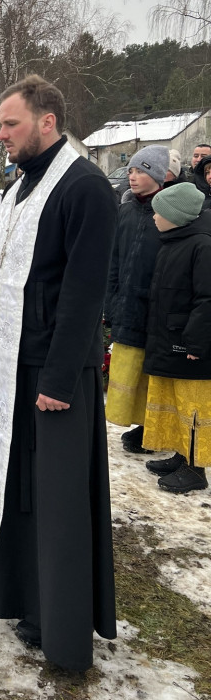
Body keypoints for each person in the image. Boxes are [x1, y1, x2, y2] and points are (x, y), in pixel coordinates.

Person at [0, 74, 118, 672]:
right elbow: (1, 276)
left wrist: (59, 381)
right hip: (14, 363)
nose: (1, 135)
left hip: (56, 374)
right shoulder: (19, 187)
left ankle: (61, 628)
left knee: (58, 502)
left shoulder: (83, 187)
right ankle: (23, 600)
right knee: (21, 492)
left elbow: (85, 295)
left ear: (48, 122)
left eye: (10, 124)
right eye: (0, 125)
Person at [141, 184, 211, 492]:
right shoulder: (174, 241)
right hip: (171, 337)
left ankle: (196, 470)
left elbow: (207, 298)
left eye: (159, 211)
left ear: (176, 216)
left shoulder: (202, 246)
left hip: (191, 344)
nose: (154, 216)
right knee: (176, 403)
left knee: (193, 406)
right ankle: (183, 455)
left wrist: (196, 342)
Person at [104, 145, 168, 453]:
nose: (133, 176)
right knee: (130, 368)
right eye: (130, 170)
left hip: (155, 306)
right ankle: (140, 423)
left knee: (152, 372)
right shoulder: (125, 210)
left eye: (140, 171)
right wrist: (111, 300)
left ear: (157, 175)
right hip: (126, 301)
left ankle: (153, 428)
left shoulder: (168, 211)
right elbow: (113, 259)